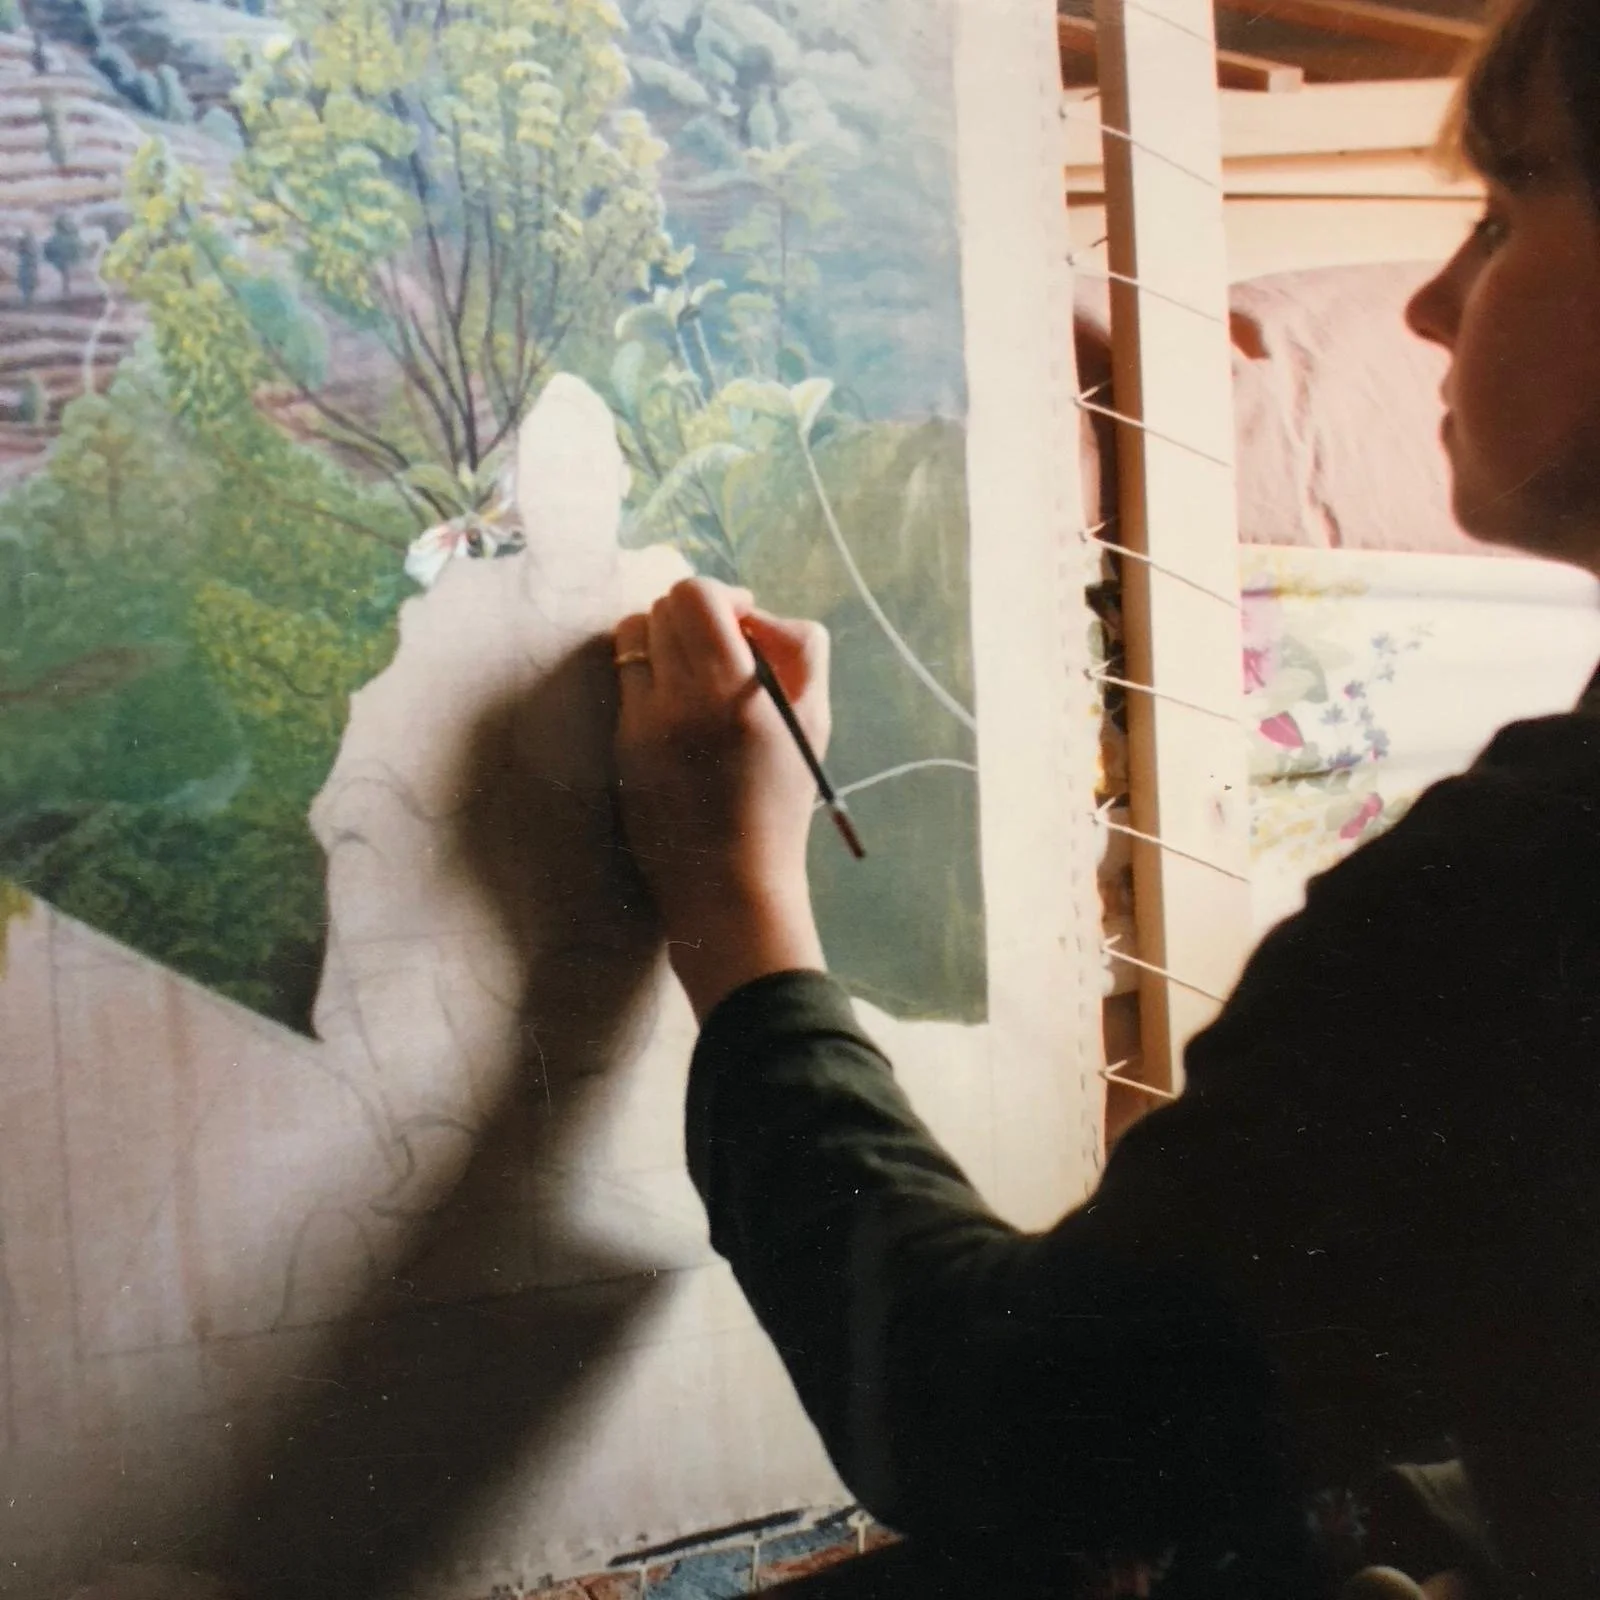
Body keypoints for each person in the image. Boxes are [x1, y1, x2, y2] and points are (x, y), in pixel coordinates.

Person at [610, 1, 1600, 1594]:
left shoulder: (1535, 884)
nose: (1427, 301)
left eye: (1509, 204)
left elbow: (1008, 1423)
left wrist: (737, 917)